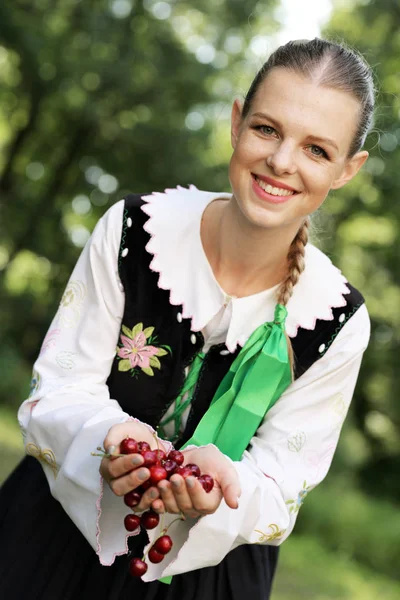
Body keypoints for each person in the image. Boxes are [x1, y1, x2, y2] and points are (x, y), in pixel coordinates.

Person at [0, 38, 374, 599]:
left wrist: (224, 486)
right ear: (236, 122)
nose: (281, 161)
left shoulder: (338, 319)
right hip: (52, 542)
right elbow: (58, 384)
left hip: (206, 581)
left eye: (317, 150)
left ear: (348, 169)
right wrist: (109, 438)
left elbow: (283, 484)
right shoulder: (133, 232)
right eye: (267, 129)